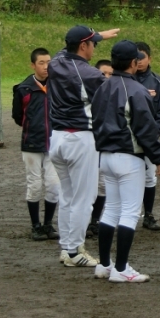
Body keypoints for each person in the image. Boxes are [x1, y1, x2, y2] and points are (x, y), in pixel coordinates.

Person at [92, 41, 160, 283]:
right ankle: (121, 268)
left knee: (111, 209)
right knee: (130, 212)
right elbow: (145, 129)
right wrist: (158, 158)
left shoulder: (102, 87)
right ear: (134, 63)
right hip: (128, 157)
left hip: (106, 156)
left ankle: (104, 265)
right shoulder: (136, 89)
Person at [48, 25, 119, 267]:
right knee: (84, 199)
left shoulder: (56, 62)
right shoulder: (90, 74)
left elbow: (66, 49)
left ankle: (67, 248)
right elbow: (113, 97)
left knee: (68, 196)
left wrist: (99, 35)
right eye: (92, 43)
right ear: (83, 46)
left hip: (57, 138)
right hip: (80, 139)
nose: (94, 47)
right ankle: (74, 250)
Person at [12, 48, 60, 241]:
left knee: (53, 185)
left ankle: (48, 224)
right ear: (33, 65)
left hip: (53, 143)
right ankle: (35, 226)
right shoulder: (23, 89)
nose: (46, 66)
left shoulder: (57, 86)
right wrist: (32, 128)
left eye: (49, 62)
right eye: (41, 62)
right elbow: (18, 117)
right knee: (34, 184)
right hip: (31, 144)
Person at [135, 42, 160, 231]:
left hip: (149, 140)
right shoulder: (124, 80)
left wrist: (153, 133)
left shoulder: (158, 82)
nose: (139, 61)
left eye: (142, 57)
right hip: (126, 140)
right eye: (135, 57)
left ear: (149, 58)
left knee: (150, 177)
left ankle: (148, 214)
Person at [87, 59, 114, 239]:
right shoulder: (88, 94)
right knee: (88, 184)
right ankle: (84, 219)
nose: (107, 77)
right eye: (103, 73)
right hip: (88, 143)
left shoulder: (115, 95)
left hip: (106, 144)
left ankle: (95, 220)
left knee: (103, 184)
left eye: (110, 74)